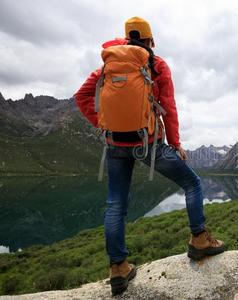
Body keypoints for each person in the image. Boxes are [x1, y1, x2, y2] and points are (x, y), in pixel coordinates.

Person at [74, 16, 225, 296]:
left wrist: (103, 122)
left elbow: (81, 97)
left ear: (125, 38)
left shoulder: (108, 66)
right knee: (192, 183)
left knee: (115, 204)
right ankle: (200, 239)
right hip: (149, 142)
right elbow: (169, 106)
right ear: (150, 40)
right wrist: (176, 143)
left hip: (115, 144)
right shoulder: (157, 65)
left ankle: (118, 268)